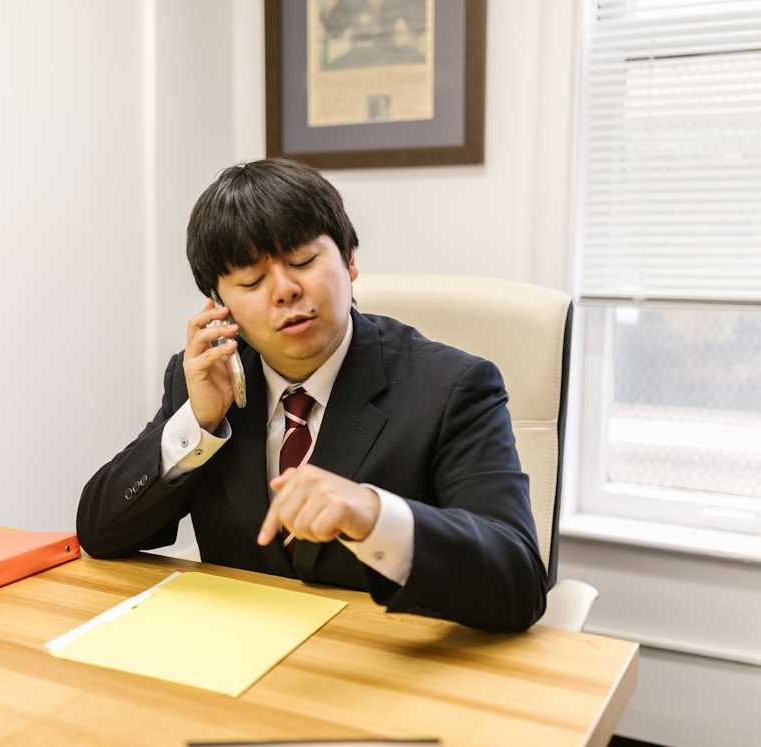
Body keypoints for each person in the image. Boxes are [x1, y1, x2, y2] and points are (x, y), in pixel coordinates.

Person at [77, 158, 547, 632]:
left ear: (350, 261)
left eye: (302, 261)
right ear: (220, 306)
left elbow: (519, 580)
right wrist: (196, 426)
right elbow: (100, 533)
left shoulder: (454, 387)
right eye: (251, 281)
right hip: (238, 653)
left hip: (377, 668)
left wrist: (374, 515)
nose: (284, 290)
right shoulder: (209, 376)